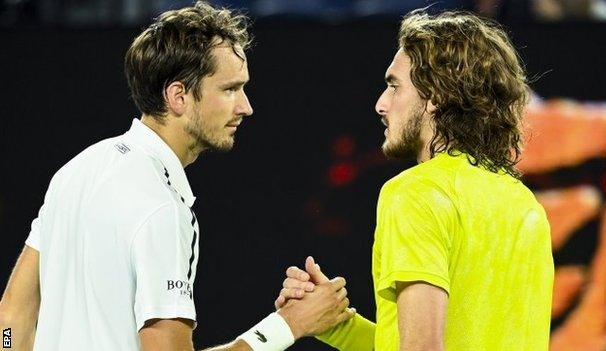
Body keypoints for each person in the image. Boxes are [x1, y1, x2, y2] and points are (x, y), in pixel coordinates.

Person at [0, 2, 354, 351]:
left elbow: (11, 318)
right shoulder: (161, 208)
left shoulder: (76, 171)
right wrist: (287, 327)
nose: (246, 106)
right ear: (178, 96)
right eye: (230, 89)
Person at [276, 10, 554, 351]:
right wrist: (340, 327)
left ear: (436, 95)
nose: (381, 104)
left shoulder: (416, 193)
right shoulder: (526, 204)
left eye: (394, 86)